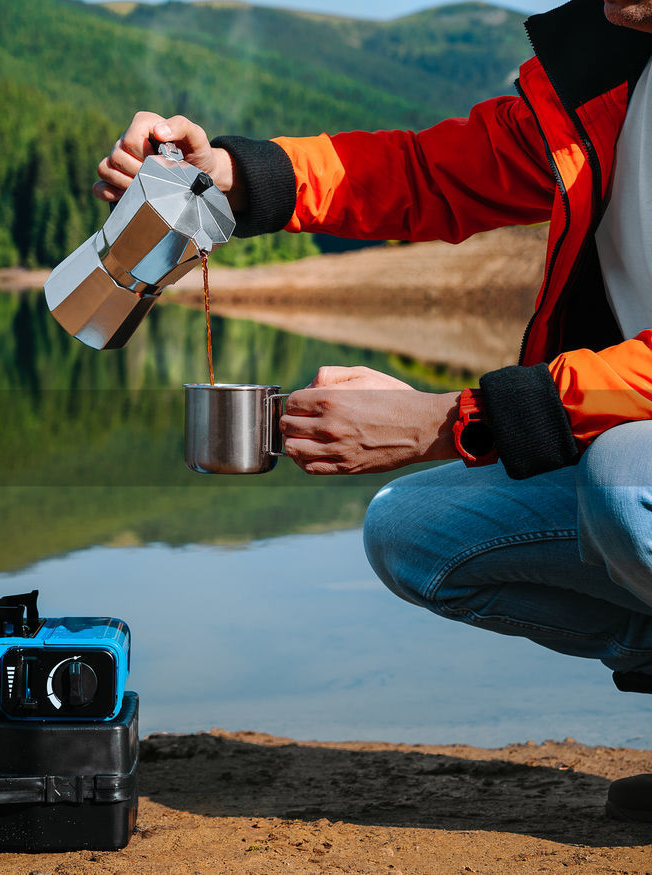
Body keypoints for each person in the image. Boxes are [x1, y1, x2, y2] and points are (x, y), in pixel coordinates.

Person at [95, 0, 652, 820]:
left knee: (620, 481)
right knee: (415, 529)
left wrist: (447, 418)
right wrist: (238, 176)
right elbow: (433, 174)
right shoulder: (615, 77)